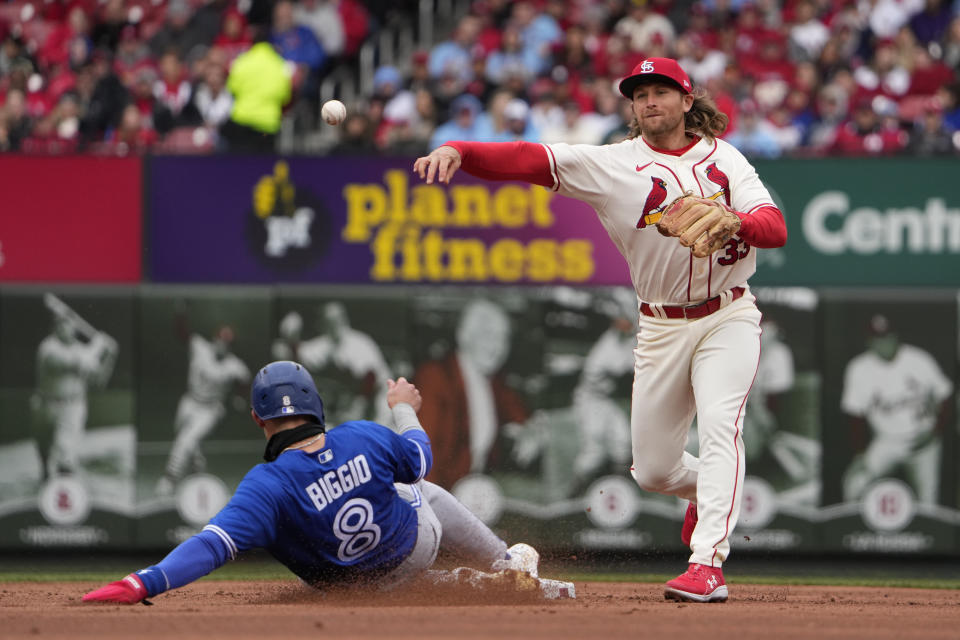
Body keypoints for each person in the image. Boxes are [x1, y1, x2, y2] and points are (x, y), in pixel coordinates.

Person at [413, 57, 788, 603]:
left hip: (728, 315)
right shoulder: (613, 164)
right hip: (660, 323)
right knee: (654, 469)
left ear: (688, 102)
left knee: (721, 428)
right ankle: (703, 494)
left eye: (661, 91)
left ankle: (707, 565)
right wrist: (462, 151)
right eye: (639, 94)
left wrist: (738, 220)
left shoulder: (725, 159)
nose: (649, 101)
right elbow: (529, 157)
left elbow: (774, 227)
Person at [83, 361, 568, 604]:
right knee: (419, 490)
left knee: (287, 531)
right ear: (316, 405)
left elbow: (211, 547)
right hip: (413, 547)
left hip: (350, 587)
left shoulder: (264, 486)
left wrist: (139, 582)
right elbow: (420, 459)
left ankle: (494, 578)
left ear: (257, 418)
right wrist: (402, 408)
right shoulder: (361, 436)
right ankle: (509, 566)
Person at [413, 298, 536, 490]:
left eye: (503, 338)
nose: (497, 346)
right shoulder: (435, 378)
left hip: (473, 491)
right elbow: (421, 458)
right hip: (440, 496)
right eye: (487, 335)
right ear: (464, 336)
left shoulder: (490, 380)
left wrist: (530, 432)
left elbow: (516, 410)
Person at [841, 314, 953, 505]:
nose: (884, 344)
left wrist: (935, 431)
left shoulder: (919, 359)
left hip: (924, 441)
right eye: (877, 339)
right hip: (887, 441)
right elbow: (855, 414)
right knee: (854, 484)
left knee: (929, 502)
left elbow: (947, 396)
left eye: (888, 337)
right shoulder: (858, 368)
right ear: (869, 343)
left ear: (896, 337)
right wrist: (859, 454)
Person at [156, 321, 250, 497]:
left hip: (210, 409)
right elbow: (181, 331)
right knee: (187, 441)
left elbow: (245, 380)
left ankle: (169, 479)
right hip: (189, 402)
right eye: (221, 340)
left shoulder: (234, 364)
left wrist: (240, 397)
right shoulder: (200, 347)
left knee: (185, 441)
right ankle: (198, 468)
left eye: (228, 343)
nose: (223, 345)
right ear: (214, 339)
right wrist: (180, 314)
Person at [33, 301, 118, 478]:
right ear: (55, 327)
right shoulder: (48, 348)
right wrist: (99, 344)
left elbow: (98, 381)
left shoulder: (80, 349)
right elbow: (80, 361)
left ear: (74, 328)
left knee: (66, 455)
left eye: (69, 324)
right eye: (62, 324)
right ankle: (45, 476)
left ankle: (65, 481)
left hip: (72, 407)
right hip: (45, 405)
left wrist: (110, 357)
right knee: (44, 450)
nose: (66, 328)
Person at [271, 302, 393, 425]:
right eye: (328, 321)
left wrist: (358, 407)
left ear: (344, 320)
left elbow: (370, 378)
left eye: (337, 319)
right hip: (351, 403)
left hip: (379, 399)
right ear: (322, 324)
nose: (334, 324)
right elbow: (301, 356)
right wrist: (291, 340)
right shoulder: (325, 344)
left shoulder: (359, 342)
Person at [570, 289, 636, 492]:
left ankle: (620, 490)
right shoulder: (607, 345)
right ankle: (576, 491)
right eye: (617, 317)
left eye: (623, 316)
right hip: (591, 399)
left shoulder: (633, 337)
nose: (619, 321)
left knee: (622, 441)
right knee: (594, 450)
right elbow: (598, 379)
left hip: (607, 400)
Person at [220, 28, 292, 153]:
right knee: (264, 168)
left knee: (242, 166)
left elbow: (232, 88)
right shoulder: (279, 64)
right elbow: (285, 95)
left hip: (242, 120)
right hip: (267, 124)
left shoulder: (242, 61)